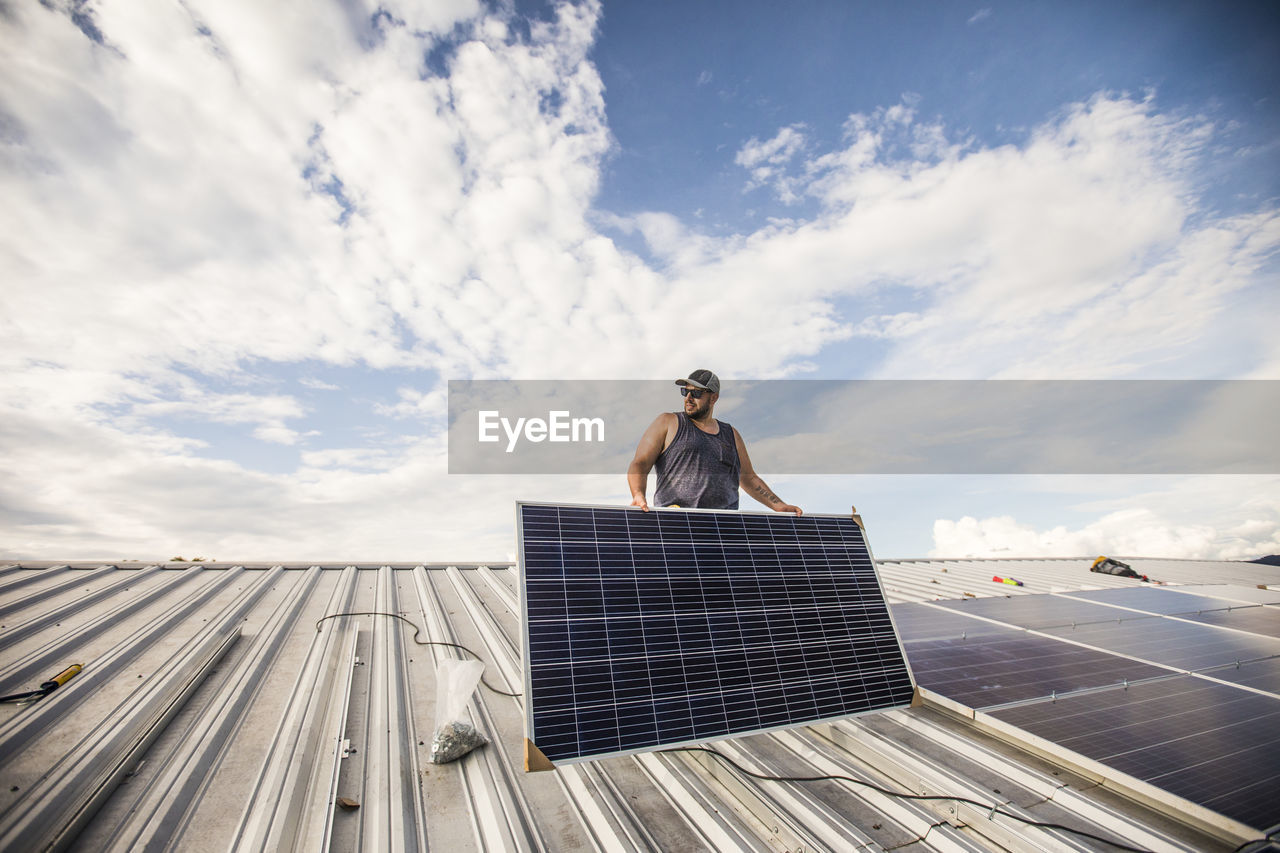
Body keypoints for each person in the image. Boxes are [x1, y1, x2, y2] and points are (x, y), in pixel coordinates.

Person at [628, 369, 803, 514]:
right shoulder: (668, 422)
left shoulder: (731, 434)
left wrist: (778, 505)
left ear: (713, 398)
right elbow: (640, 463)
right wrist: (637, 494)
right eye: (685, 391)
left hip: (725, 529)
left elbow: (748, 478)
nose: (688, 397)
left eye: (696, 393)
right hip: (677, 524)